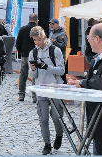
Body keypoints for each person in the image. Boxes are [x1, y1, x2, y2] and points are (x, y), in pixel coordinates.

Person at [68, 23, 102, 155]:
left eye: (89, 37)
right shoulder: (97, 58)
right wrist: (80, 81)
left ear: (97, 39)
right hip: (97, 121)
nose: (87, 40)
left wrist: (81, 83)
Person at [28, 26, 65, 155]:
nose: (37, 42)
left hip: (55, 88)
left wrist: (47, 67)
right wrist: (33, 69)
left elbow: (61, 70)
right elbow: (32, 76)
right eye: (34, 40)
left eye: (39, 39)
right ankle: (47, 144)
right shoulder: (33, 53)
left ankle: (59, 134)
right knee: (43, 118)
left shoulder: (55, 51)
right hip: (41, 88)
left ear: (44, 37)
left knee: (56, 117)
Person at [15, 13, 38, 102]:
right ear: (36, 20)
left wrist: (21, 52)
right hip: (36, 55)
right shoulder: (38, 29)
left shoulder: (22, 29)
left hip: (25, 55)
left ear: (29, 19)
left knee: (23, 75)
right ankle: (34, 96)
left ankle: (21, 95)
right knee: (35, 75)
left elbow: (18, 43)